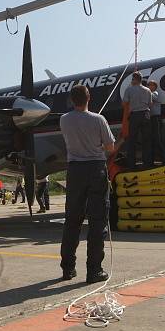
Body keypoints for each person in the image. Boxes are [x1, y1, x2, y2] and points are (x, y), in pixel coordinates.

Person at [59, 84, 116, 284]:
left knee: (72, 220)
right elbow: (110, 147)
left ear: (71, 99)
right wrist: (97, 145)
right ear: (89, 97)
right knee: (97, 221)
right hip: (95, 169)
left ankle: (68, 268)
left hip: (74, 170)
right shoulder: (99, 119)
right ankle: (94, 271)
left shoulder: (64, 120)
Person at [123, 71, 153, 171]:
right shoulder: (148, 90)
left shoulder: (129, 89)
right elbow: (150, 104)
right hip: (146, 115)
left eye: (132, 79)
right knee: (147, 140)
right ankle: (148, 163)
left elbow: (125, 103)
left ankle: (132, 164)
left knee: (132, 141)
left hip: (135, 115)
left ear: (135, 79)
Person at [148, 80, 165, 165]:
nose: (149, 87)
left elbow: (153, 97)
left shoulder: (155, 93)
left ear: (155, 87)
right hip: (150, 119)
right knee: (151, 140)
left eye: (151, 85)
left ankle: (164, 158)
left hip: (156, 118)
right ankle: (151, 160)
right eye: (149, 85)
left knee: (158, 139)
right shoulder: (148, 94)